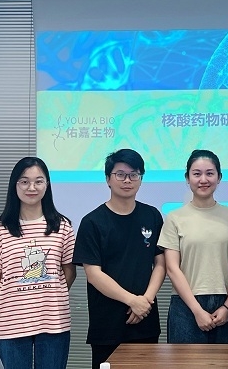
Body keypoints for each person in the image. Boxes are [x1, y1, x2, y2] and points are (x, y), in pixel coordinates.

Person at [73, 149, 165, 369]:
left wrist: (145, 301)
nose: (127, 180)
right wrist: (132, 301)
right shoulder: (92, 222)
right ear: (108, 179)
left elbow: (161, 264)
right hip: (107, 326)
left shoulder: (152, 216)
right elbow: (94, 274)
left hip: (145, 321)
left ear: (141, 179)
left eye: (134, 174)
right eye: (120, 174)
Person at [0, 157, 76, 369]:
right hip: (11, 323)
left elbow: (69, 272)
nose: (31, 187)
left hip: (54, 321)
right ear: (14, 185)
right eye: (24, 181)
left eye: (38, 181)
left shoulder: (62, 227)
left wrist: (49, 293)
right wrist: (19, 298)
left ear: (47, 185)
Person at [157, 149, 228, 343]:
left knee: (226, 360)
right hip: (185, 305)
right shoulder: (174, 218)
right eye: (196, 174)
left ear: (219, 177)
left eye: (210, 173)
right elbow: (172, 268)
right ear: (187, 178)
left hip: (224, 305)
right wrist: (197, 310)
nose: (203, 179)